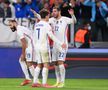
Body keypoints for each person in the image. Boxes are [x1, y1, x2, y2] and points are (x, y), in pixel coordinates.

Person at [32, 9, 66, 88]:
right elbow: (52, 36)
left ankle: (35, 82)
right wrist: (61, 43)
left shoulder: (37, 24)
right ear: (46, 16)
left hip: (36, 47)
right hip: (44, 47)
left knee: (39, 64)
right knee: (46, 64)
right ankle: (44, 83)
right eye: (48, 15)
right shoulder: (47, 25)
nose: (49, 17)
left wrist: (35, 46)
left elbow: (33, 37)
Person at [49, 7, 76, 88]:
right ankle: (58, 81)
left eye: (54, 11)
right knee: (56, 63)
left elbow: (74, 21)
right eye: (52, 11)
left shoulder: (65, 19)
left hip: (63, 44)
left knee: (60, 62)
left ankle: (62, 82)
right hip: (55, 45)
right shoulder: (51, 20)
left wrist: (72, 15)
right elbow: (43, 19)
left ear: (59, 12)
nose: (53, 13)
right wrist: (37, 15)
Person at [8, 19, 38, 86]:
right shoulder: (20, 28)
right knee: (22, 61)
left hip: (32, 45)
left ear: (15, 23)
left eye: (10, 25)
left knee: (28, 63)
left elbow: (24, 42)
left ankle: (36, 81)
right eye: (9, 25)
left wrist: (23, 54)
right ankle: (28, 79)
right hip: (30, 45)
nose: (10, 27)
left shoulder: (19, 30)